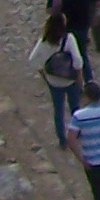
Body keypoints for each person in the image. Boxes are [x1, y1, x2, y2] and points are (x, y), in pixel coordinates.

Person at [28, 13, 83, 148]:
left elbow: (32, 60)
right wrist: (79, 77)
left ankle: (62, 140)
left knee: (58, 110)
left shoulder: (44, 41)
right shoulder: (68, 39)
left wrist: (44, 73)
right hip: (70, 80)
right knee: (75, 107)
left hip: (54, 81)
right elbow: (77, 61)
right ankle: (77, 133)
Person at [62, 0, 95, 81]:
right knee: (83, 54)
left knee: (69, 53)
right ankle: (88, 79)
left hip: (69, 28)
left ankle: (70, 77)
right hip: (82, 26)